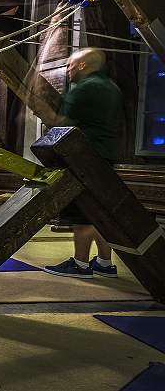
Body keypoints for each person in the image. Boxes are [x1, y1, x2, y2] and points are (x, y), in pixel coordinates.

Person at [43, 48, 122, 278]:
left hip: (83, 157)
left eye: (70, 65)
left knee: (83, 214)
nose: (67, 70)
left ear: (82, 66)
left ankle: (80, 263)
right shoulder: (112, 88)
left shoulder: (85, 88)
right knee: (99, 213)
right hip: (106, 156)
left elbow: (63, 125)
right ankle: (105, 263)